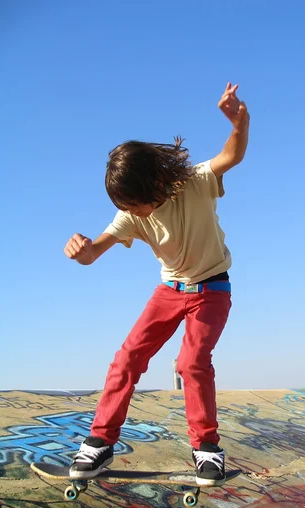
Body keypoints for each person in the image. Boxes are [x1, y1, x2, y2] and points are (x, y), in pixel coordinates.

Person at [63, 83, 249, 485]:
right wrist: (81, 249)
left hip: (211, 289)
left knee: (191, 362)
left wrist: (240, 122)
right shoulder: (131, 215)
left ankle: (206, 449)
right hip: (169, 292)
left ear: (156, 186)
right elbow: (95, 251)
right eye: (125, 207)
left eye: (135, 204)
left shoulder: (196, 182)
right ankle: (99, 442)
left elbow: (231, 155)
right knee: (128, 357)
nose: (131, 213)